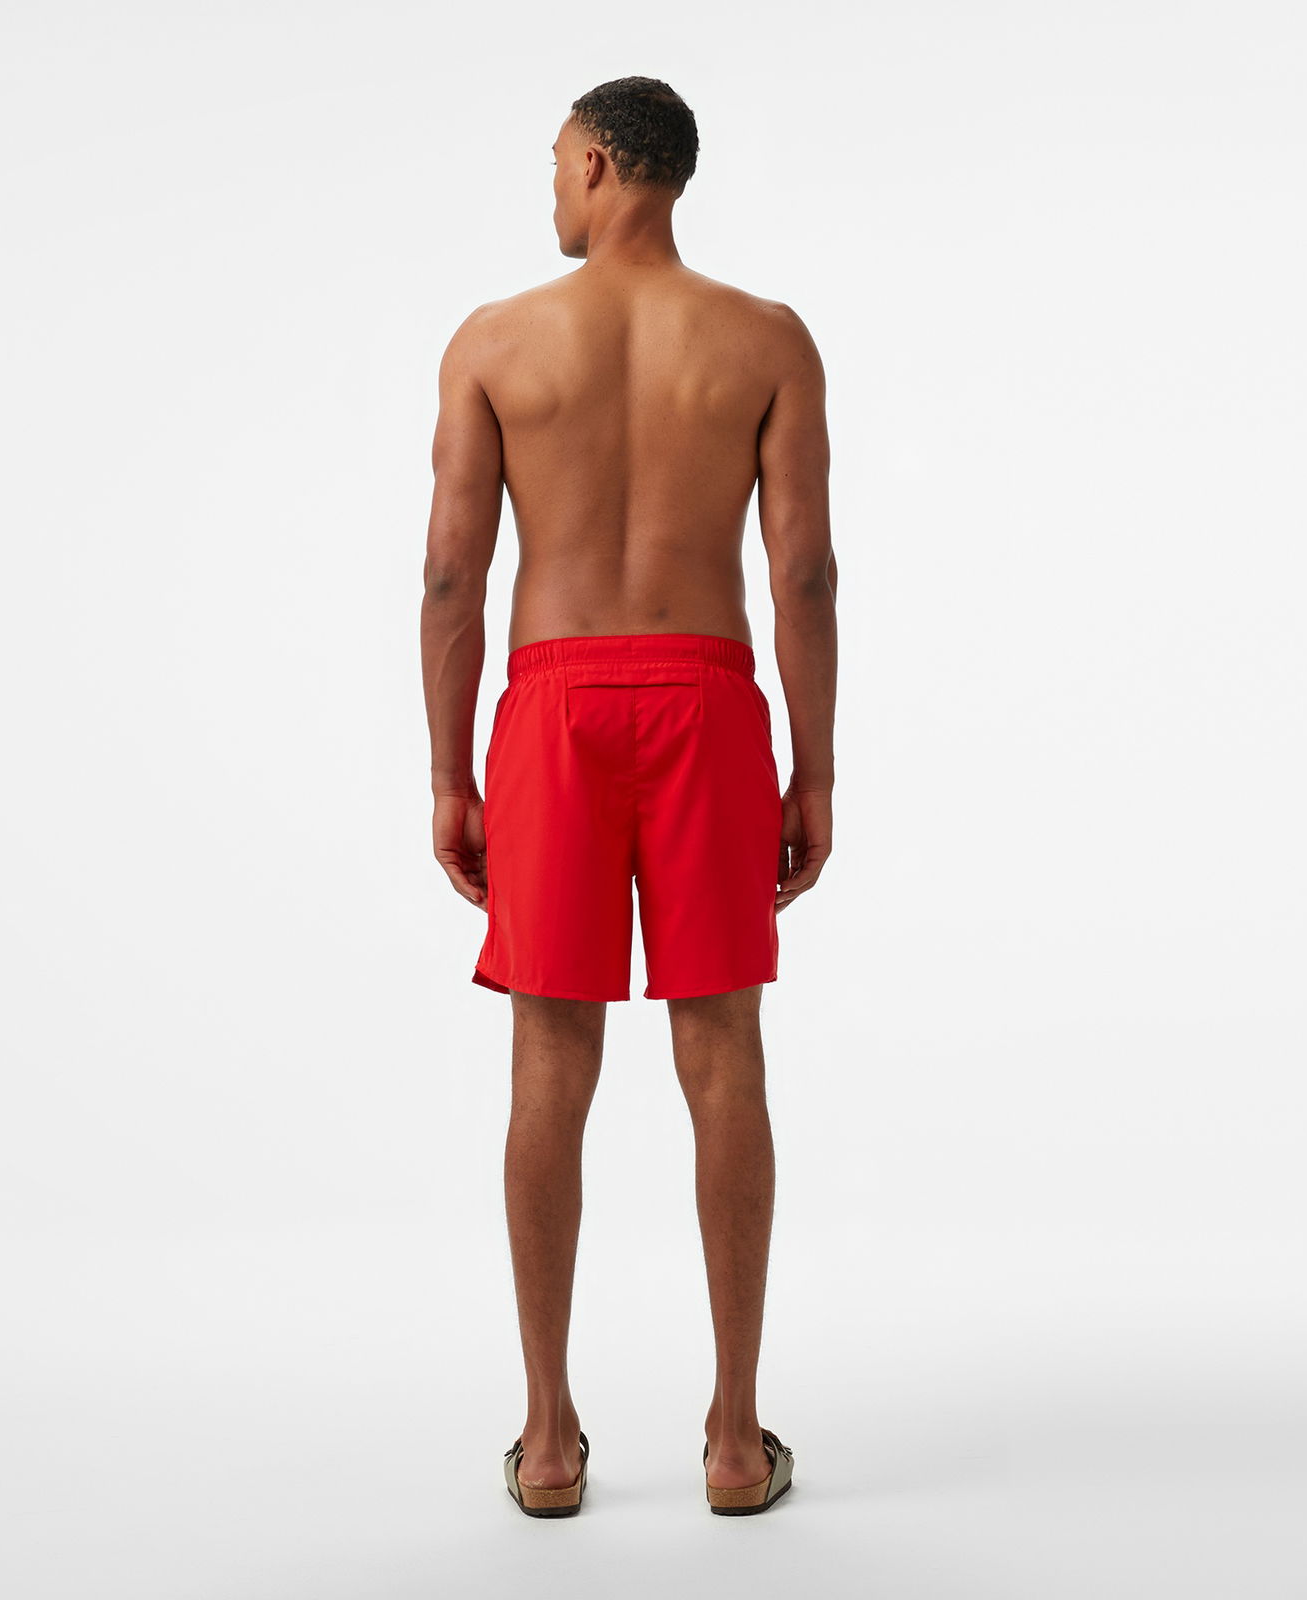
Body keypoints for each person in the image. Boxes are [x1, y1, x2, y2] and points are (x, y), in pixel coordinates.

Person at [420, 76, 836, 1516]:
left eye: (556, 163)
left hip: (554, 711)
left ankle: (548, 1443)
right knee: (724, 1055)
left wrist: (452, 772)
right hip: (708, 702)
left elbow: (452, 576)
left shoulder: (495, 342)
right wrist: (814, 767)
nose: (550, 188)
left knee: (550, 1060)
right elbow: (802, 572)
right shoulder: (766, 340)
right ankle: (735, 1441)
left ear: (600, 163)